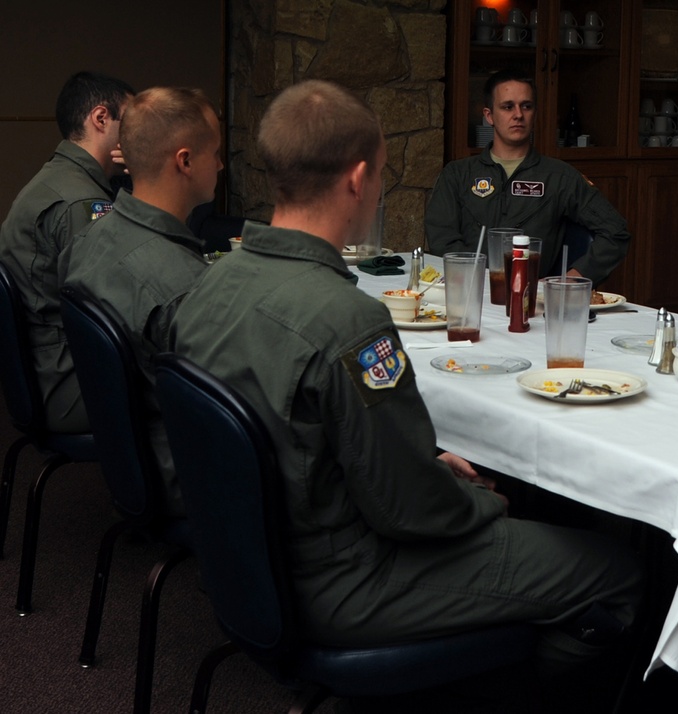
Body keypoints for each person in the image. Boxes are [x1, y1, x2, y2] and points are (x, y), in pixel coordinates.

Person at [171, 80, 642, 692]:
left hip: (248, 564)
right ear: (359, 179)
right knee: (618, 569)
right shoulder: (349, 320)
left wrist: (423, 463)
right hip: (344, 582)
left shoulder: (208, 284)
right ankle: (506, 694)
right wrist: (484, 503)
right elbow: (411, 511)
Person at [59, 87, 222, 514]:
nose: (222, 165)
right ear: (185, 161)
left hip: (132, 460)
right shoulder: (183, 288)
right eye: (217, 153)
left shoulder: (88, 240)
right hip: (181, 476)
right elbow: (233, 404)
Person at [0, 71, 133, 433]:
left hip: (40, 372)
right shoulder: (81, 201)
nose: (140, 135)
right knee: (184, 391)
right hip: (64, 385)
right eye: (132, 122)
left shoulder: (54, 179)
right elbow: (112, 309)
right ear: (101, 119)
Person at [424, 69, 630, 285]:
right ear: (489, 116)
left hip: (532, 300)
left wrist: (573, 279)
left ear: (535, 114)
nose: (518, 115)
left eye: (526, 106)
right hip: (469, 291)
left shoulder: (560, 177)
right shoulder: (458, 174)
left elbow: (616, 231)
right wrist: (477, 278)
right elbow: (442, 238)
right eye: (507, 106)